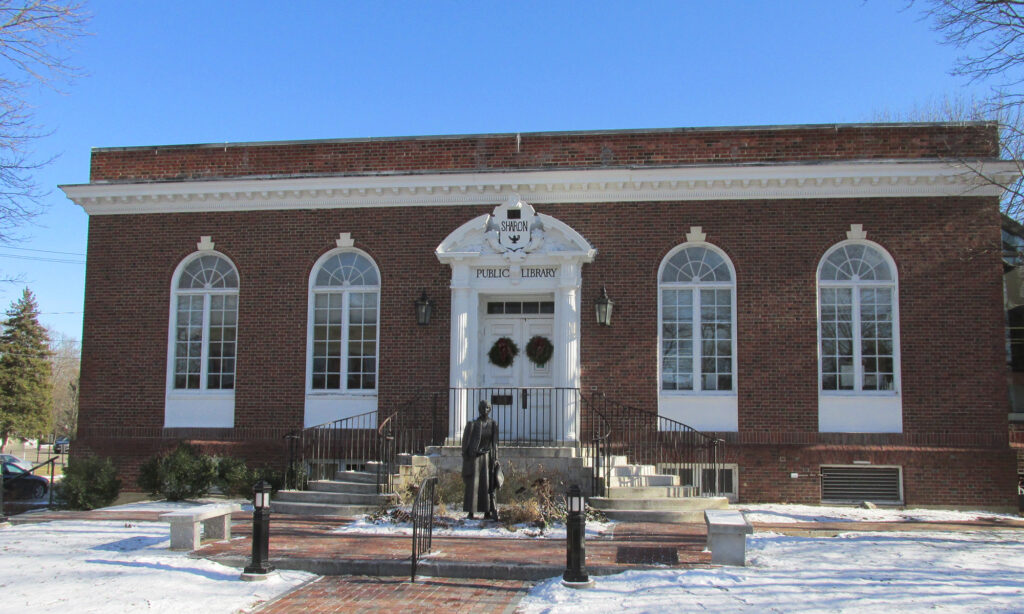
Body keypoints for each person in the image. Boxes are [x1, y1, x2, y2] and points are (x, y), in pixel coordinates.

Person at [462, 399, 499, 519]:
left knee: (487, 484)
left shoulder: (493, 424)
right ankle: (471, 511)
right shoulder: (472, 424)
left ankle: (487, 510)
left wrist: (496, 458)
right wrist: (470, 453)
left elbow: (495, 443)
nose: (485, 410)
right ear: (479, 409)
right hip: (476, 457)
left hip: (487, 457)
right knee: (474, 484)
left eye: (487, 408)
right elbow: (466, 442)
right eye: (483, 408)